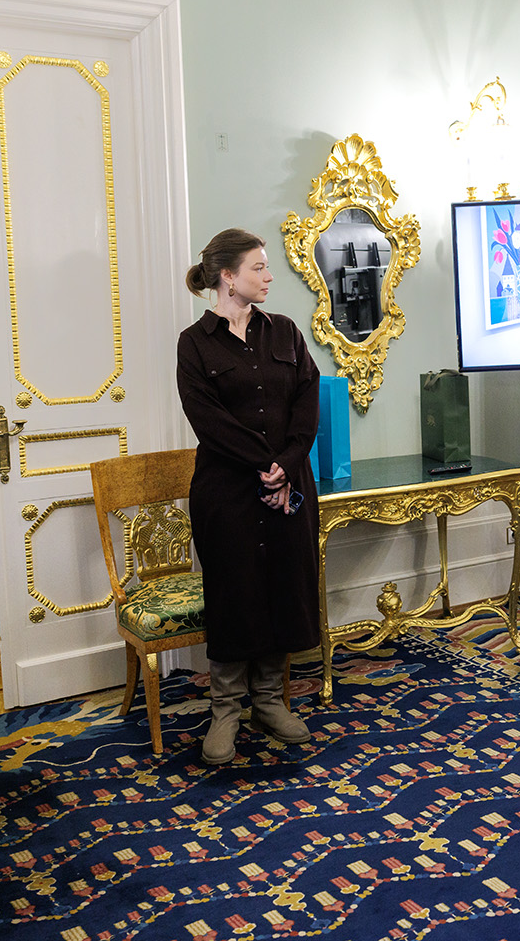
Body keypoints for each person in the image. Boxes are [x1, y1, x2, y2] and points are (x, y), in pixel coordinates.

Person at [177, 228, 320, 764]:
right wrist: (266, 466)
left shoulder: (284, 331)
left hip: (289, 484)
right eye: (259, 267)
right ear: (227, 277)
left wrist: (286, 465)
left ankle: (268, 701)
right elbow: (207, 420)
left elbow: (307, 400)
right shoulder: (194, 344)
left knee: (283, 586)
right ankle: (225, 710)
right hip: (228, 492)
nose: (269, 275)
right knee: (235, 594)